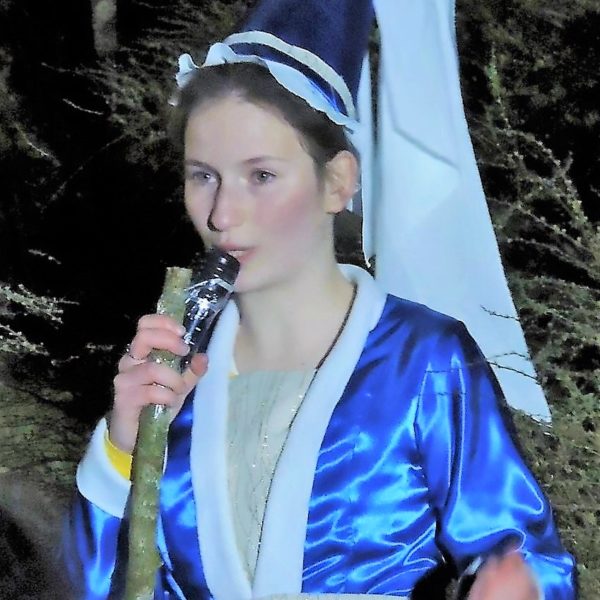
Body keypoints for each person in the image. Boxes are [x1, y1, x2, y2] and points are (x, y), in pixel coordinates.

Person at [62, 1, 576, 599]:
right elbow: (88, 586)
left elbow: (524, 558)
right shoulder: (176, 378)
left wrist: (513, 586)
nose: (222, 214)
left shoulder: (422, 360)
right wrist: (122, 449)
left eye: (261, 176)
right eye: (203, 176)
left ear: (337, 181)